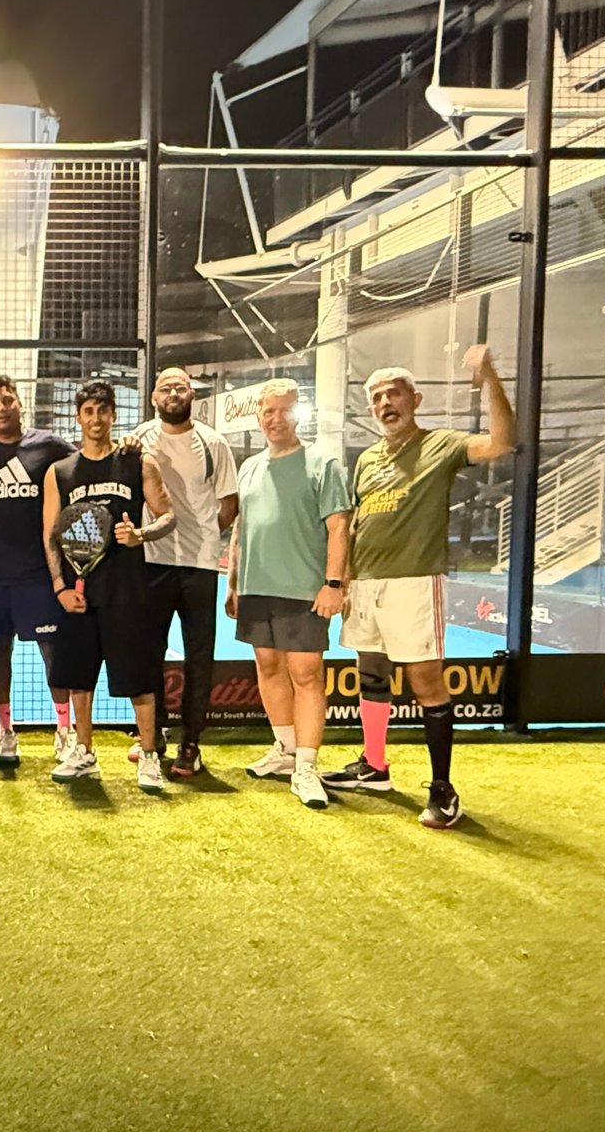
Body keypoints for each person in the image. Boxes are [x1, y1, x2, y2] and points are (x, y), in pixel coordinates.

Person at [323, 347, 514, 828]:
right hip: (366, 584)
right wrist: (345, 580)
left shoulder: (440, 445)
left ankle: (443, 789)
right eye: (376, 397)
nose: (385, 403)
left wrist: (490, 378)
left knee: (426, 682)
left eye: (393, 394)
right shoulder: (367, 459)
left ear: (415, 399)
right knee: (371, 673)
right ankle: (374, 765)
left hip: (413, 581)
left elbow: (501, 442)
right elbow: (358, 523)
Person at [224, 379, 351, 810]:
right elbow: (242, 528)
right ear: (259, 416)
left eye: (284, 410)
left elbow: (339, 527)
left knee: (306, 674)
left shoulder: (322, 463)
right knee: (268, 665)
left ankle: (307, 767)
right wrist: (234, 582)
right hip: (255, 587)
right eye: (268, 411)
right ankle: (285, 750)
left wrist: (333, 584)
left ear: (298, 414)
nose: (276, 418)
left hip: (304, 591)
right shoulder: (249, 467)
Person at [44, 380, 177, 789]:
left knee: (139, 678)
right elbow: (51, 535)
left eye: (103, 411)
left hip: (128, 591)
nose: (96, 418)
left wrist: (141, 534)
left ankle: (149, 756)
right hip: (80, 594)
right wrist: (60, 588)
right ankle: (84, 752)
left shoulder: (137, 462)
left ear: (113, 415)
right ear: (78, 417)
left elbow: (168, 515)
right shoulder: (60, 472)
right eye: (88, 411)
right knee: (79, 678)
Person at [129, 368, 238, 780]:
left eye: (181, 387)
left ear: (192, 394)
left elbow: (229, 504)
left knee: (199, 658)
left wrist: (205, 538)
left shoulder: (214, 442)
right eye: (166, 388)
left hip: (199, 568)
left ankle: (190, 742)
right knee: (148, 654)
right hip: (152, 562)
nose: (173, 393)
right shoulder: (138, 439)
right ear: (154, 397)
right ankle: (152, 736)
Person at [0, 375, 78, 769]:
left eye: (7, 400)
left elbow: (87, 462)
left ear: (19, 404)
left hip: (41, 573)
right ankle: (5, 732)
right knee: (0, 651)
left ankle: (64, 730)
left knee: (52, 652)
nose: (1, 408)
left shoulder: (49, 446)